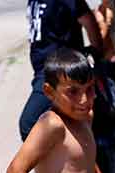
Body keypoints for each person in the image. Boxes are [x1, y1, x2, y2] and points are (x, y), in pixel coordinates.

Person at [22, 0, 103, 142]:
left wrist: (95, 52)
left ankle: (64, 158)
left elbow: (88, 20)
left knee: (29, 122)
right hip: (42, 71)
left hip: (61, 71)